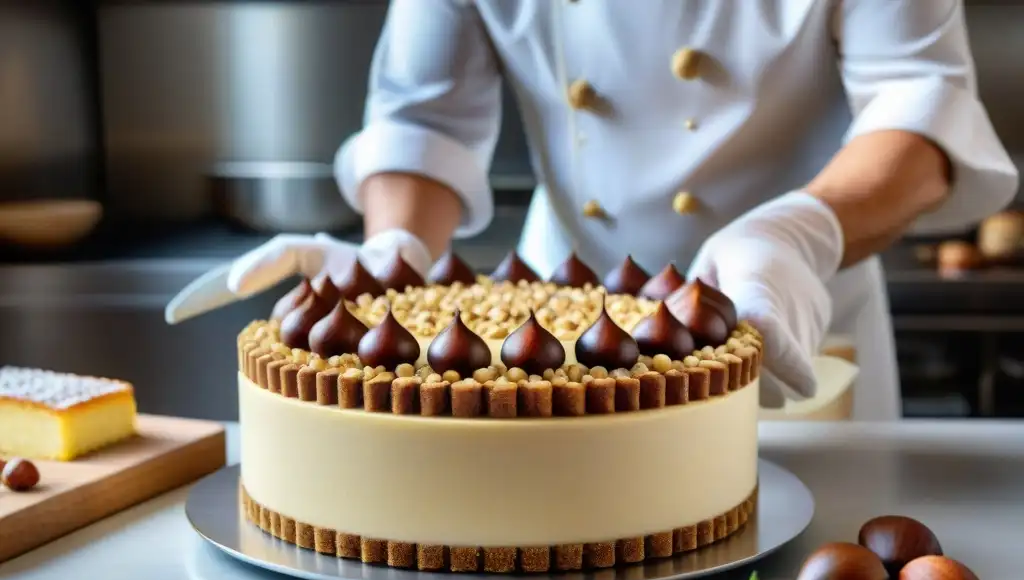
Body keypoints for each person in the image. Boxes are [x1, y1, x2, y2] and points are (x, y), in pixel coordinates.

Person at [227, 0, 1018, 419]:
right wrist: (394, 248)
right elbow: (424, 120)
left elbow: (920, 106)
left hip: (797, 311)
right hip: (552, 338)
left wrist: (798, 236)